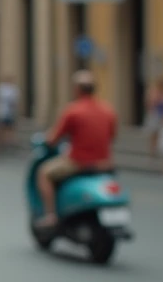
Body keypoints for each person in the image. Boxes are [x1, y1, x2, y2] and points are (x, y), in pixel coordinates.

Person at [36, 70, 118, 228]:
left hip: (79, 162)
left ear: (77, 89)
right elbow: (112, 136)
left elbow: (54, 138)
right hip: (104, 163)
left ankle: (50, 214)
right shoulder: (108, 110)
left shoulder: (73, 110)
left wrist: (47, 139)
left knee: (43, 173)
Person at [0, 76, 20, 152]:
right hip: (2, 112)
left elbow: (15, 102)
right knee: (1, 128)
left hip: (10, 112)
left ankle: (9, 144)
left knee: (9, 128)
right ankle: (1, 145)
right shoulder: (0, 88)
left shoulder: (13, 89)